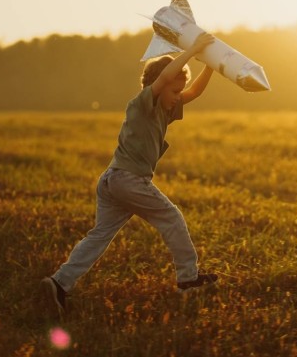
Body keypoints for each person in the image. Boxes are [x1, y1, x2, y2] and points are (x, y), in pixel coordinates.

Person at [41, 32, 218, 319]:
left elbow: (194, 92)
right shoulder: (143, 103)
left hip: (112, 181)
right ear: (156, 86)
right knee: (171, 218)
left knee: (99, 236)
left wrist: (211, 63)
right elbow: (164, 79)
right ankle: (188, 279)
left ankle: (59, 283)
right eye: (173, 91)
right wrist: (192, 50)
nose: (177, 98)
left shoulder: (165, 109)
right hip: (129, 181)